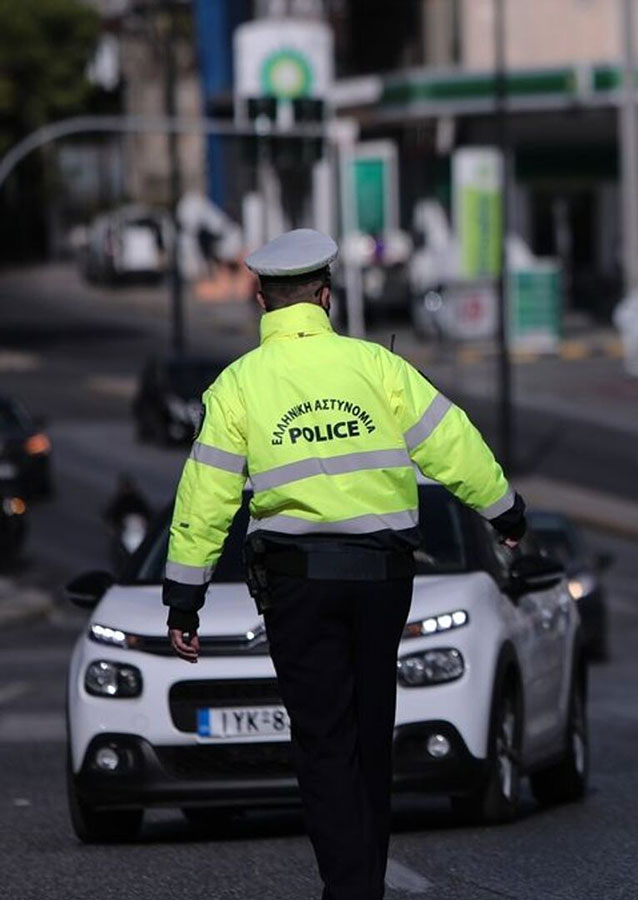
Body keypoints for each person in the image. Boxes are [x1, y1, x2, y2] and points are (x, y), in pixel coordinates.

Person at [161, 229, 527, 900]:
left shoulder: (240, 383)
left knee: (323, 743)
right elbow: (453, 443)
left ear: (261, 298)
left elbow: (205, 497)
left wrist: (185, 598)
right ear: (325, 295)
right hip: (382, 579)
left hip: (298, 583)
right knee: (368, 735)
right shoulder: (377, 368)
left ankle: (349, 890)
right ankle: (365, 885)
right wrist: (505, 512)